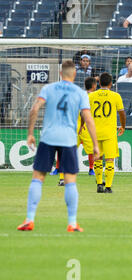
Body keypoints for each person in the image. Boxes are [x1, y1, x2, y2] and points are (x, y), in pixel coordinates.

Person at [17, 60, 100, 233]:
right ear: (75, 74)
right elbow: (88, 118)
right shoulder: (80, 93)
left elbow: (34, 109)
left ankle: (29, 219)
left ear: (60, 73)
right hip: (68, 139)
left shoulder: (49, 88)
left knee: (38, 177)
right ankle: (72, 223)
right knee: (70, 181)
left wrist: (30, 133)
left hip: (48, 137)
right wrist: (95, 144)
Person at [90, 73, 127, 194]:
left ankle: (99, 184)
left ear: (99, 83)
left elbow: (84, 113)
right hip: (109, 133)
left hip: (95, 132)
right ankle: (108, 187)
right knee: (110, 160)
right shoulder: (115, 96)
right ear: (111, 84)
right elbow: (122, 113)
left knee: (98, 159)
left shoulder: (91, 96)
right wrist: (123, 126)